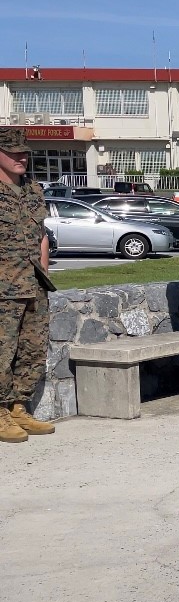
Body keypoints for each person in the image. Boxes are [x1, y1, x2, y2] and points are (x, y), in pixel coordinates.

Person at [0, 127, 55, 442]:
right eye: (13, 152)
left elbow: (41, 234)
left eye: (24, 152)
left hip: (33, 283)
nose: (22, 157)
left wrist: (44, 273)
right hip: (3, 287)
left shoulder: (33, 190)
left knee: (32, 349)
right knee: (2, 351)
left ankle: (19, 407)